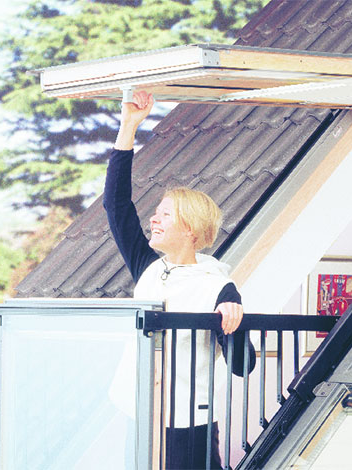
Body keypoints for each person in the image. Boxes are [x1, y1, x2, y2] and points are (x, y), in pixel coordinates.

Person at [104, 90, 251, 469]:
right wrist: (128, 125)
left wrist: (235, 325)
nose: (153, 219)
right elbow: (116, 206)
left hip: (188, 424)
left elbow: (243, 365)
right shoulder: (148, 268)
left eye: (165, 214)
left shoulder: (218, 286)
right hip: (140, 411)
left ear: (190, 229)